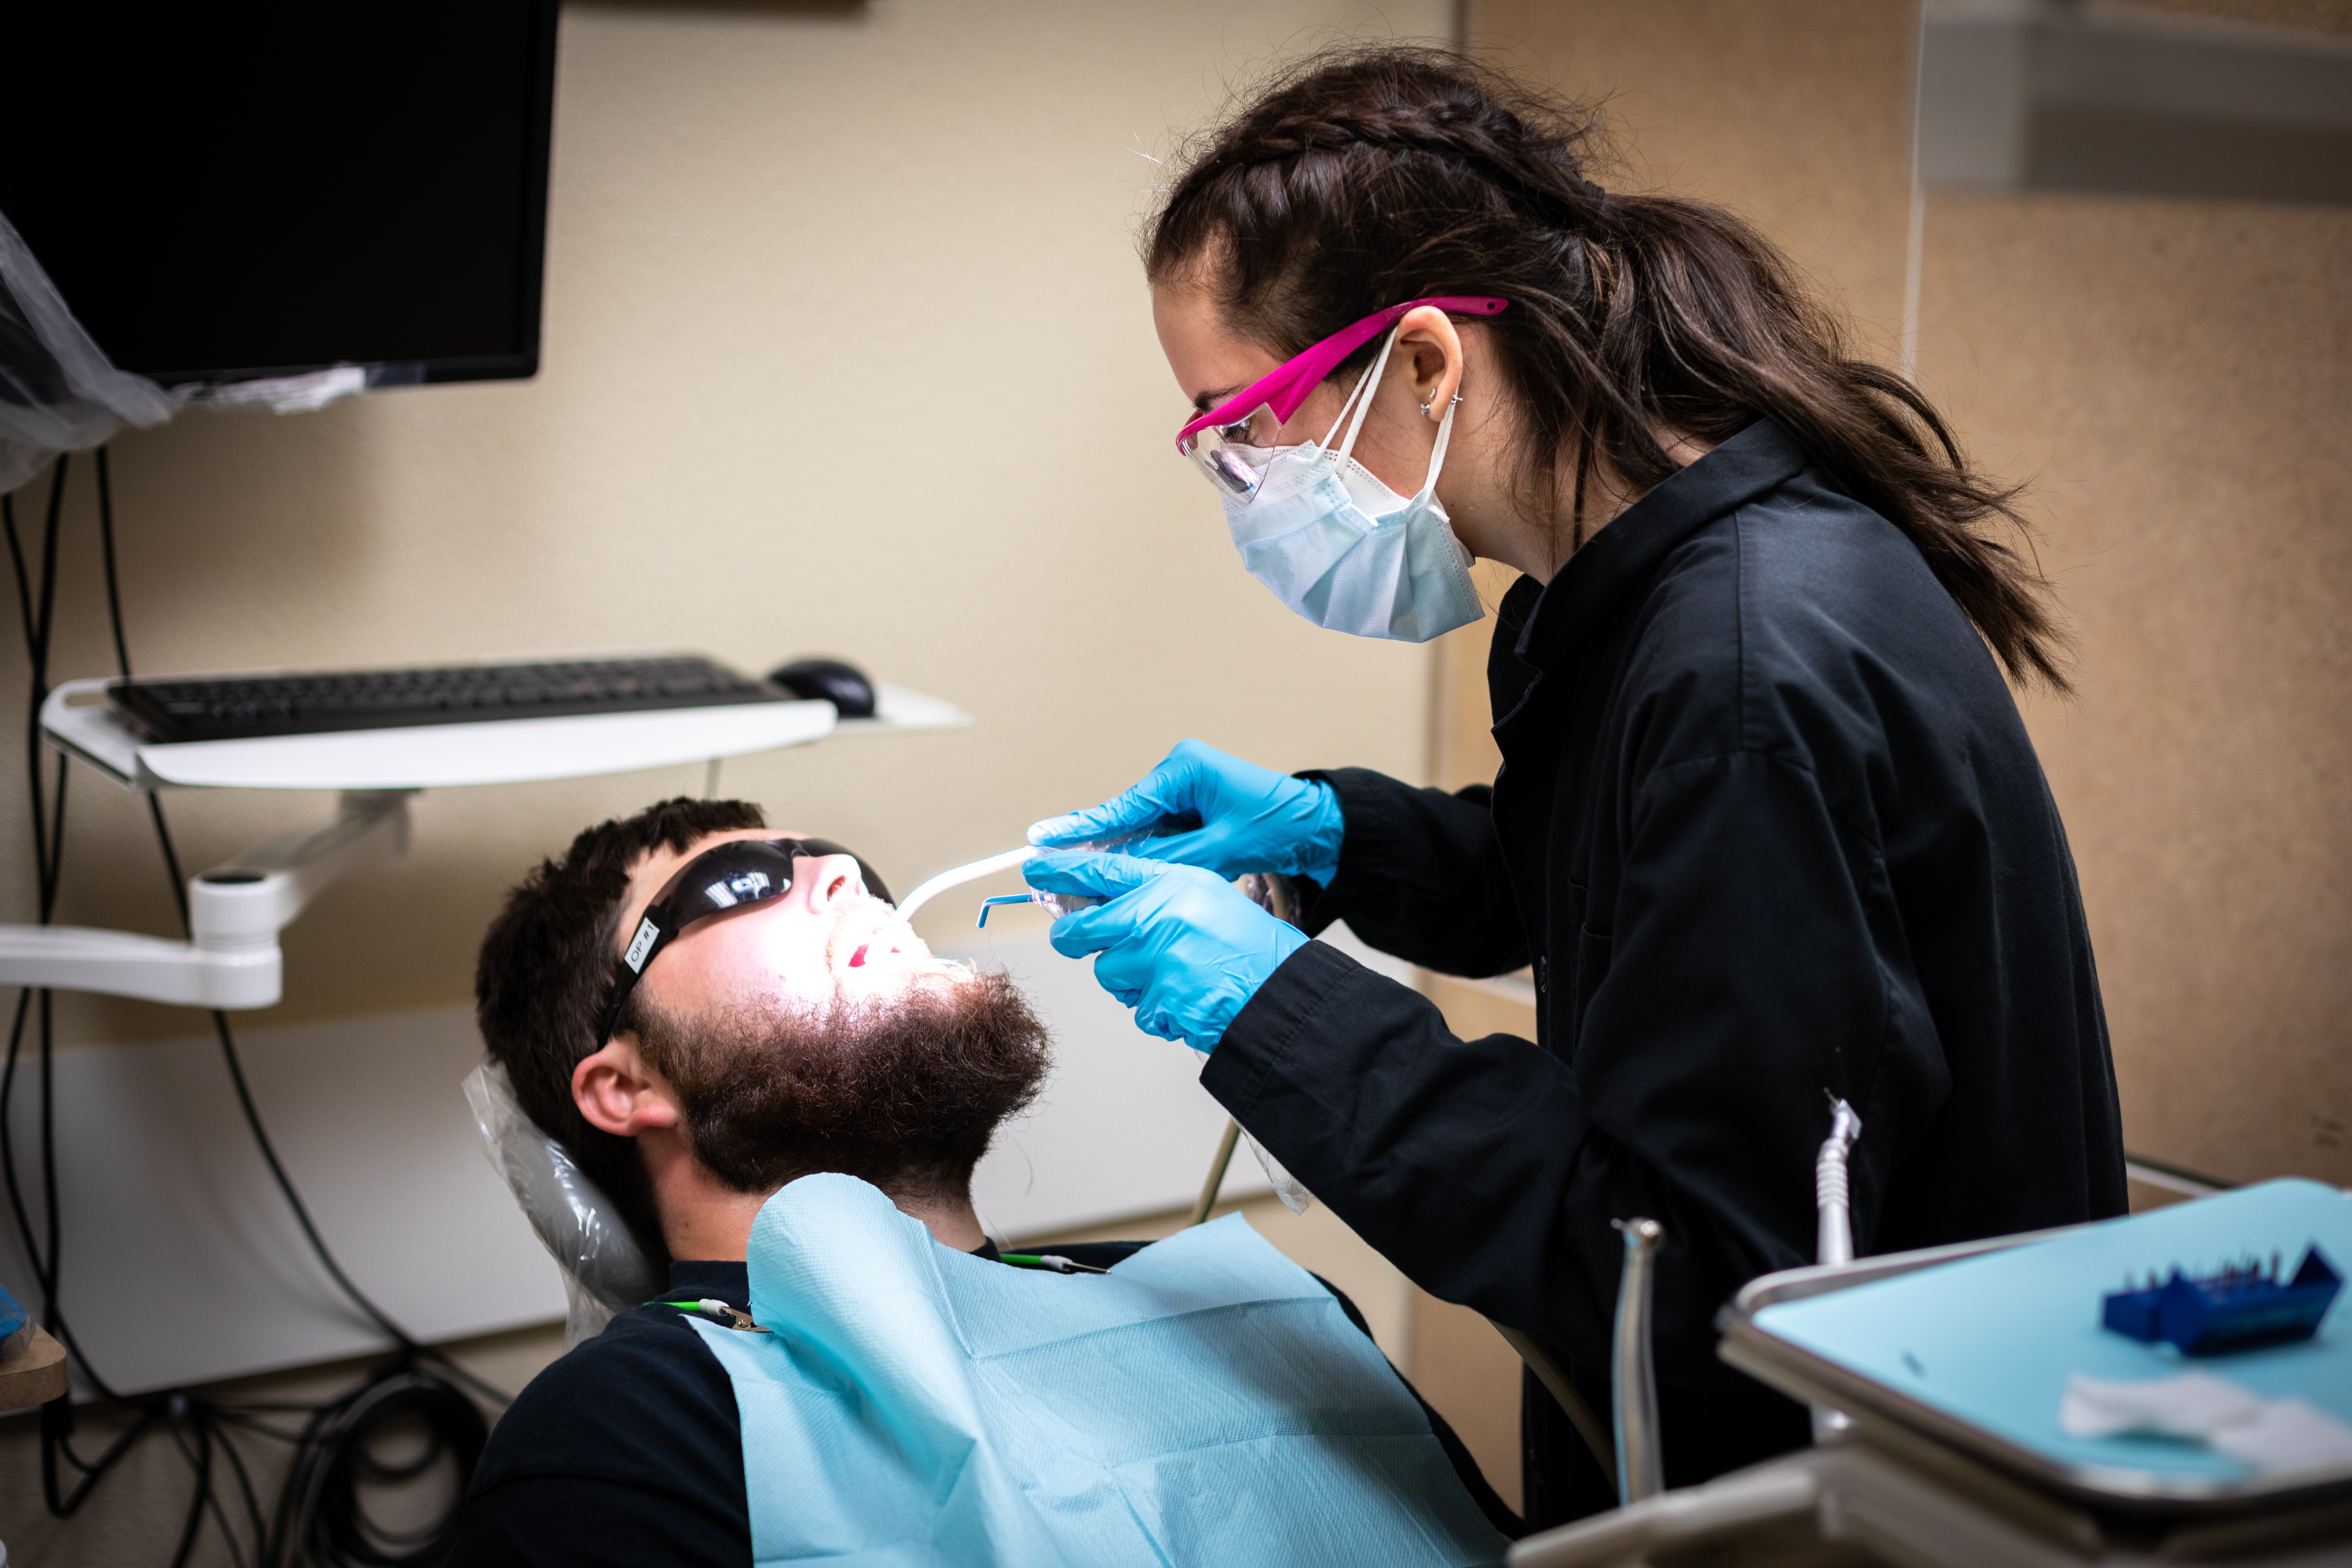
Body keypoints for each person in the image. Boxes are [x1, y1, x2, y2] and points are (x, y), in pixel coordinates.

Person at [1022, 46, 2128, 1528]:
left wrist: (1274, 1012)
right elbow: (1629, 891)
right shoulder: (1626, 583)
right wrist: (1341, 836)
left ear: (1421, 361)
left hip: (1894, 1500)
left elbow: (1680, 1281)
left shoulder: (1745, 673)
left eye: (1243, 429)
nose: (1239, 482)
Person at [450, 796, 1519, 1567]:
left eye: (839, 859)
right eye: (741, 883)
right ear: (623, 1084)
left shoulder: (1248, 1309)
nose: (842, 877)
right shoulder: (622, 1436)